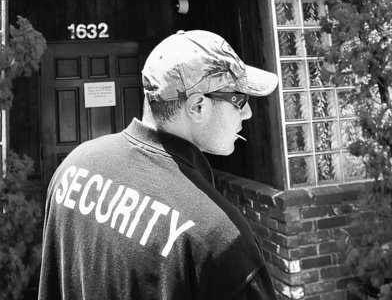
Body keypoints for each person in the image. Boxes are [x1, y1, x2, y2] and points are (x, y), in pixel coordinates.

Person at [38, 29, 280, 300]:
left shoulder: (73, 168)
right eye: (239, 99)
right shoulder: (220, 238)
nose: (247, 112)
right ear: (197, 106)